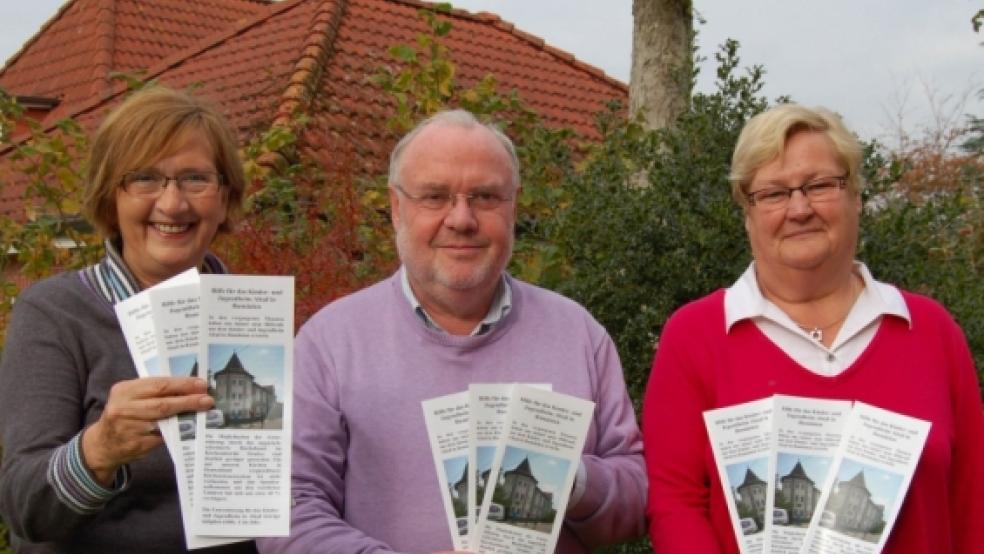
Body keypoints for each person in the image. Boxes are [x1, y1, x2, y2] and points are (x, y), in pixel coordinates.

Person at [256, 110, 646, 553]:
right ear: (396, 207)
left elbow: (637, 501)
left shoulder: (577, 334)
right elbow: (287, 512)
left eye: (484, 197)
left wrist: (571, 480)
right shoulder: (329, 342)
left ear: (514, 206)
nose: (461, 219)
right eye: (435, 197)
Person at [643, 104, 984, 553]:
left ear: (856, 196)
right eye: (773, 194)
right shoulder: (696, 337)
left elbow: (972, 502)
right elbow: (675, 504)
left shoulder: (932, 332)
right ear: (747, 211)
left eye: (820, 185)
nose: (799, 208)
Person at [0, 86, 256, 553]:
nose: (173, 204)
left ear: (224, 198)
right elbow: (24, 506)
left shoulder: (253, 320)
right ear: (110, 198)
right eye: (145, 179)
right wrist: (99, 449)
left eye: (195, 179)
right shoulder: (54, 314)